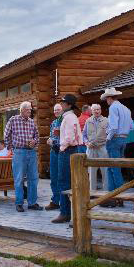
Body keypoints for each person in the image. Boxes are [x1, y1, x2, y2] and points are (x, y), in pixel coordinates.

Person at [4, 101, 42, 212]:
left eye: (30, 109)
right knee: (19, 179)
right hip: (19, 152)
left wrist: (34, 142)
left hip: (31, 152)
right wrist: (12, 148)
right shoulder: (13, 120)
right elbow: (6, 135)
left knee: (33, 178)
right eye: (27, 109)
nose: (30, 111)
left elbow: (37, 137)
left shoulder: (31, 122)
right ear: (21, 110)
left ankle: (32, 203)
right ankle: (19, 203)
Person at [101, 87, 133, 208]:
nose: (106, 101)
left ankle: (116, 197)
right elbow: (131, 127)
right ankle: (115, 197)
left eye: (106, 99)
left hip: (114, 139)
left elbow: (113, 127)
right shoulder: (126, 108)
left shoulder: (113, 107)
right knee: (114, 167)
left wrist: (107, 138)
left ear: (109, 98)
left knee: (113, 168)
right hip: (123, 138)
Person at [52, 94, 82, 224]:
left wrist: (61, 146)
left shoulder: (68, 118)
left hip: (67, 151)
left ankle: (65, 213)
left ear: (69, 105)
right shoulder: (71, 117)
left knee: (63, 182)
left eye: (64, 102)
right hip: (73, 150)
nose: (62, 104)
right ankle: (69, 213)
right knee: (68, 182)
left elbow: (69, 139)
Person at [82, 104, 109, 191]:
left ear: (100, 110)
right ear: (92, 111)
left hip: (102, 147)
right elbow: (84, 135)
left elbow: (110, 134)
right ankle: (92, 193)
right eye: (94, 110)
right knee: (92, 171)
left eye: (98, 109)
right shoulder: (88, 121)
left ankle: (106, 193)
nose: (96, 111)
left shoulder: (106, 120)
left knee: (105, 171)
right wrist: (86, 143)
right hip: (91, 148)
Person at [46, 103, 63, 211]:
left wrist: (54, 141)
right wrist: (49, 140)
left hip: (62, 151)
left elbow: (66, 137)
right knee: (53, 177)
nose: (56, 112)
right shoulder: (53, 123)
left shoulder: (64, 121)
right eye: (55, 110)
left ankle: (63, 201)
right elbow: (52, 136)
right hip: (53, 151)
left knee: (61, 177)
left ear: (62, 110)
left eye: (58, 110)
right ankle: (55, 201)